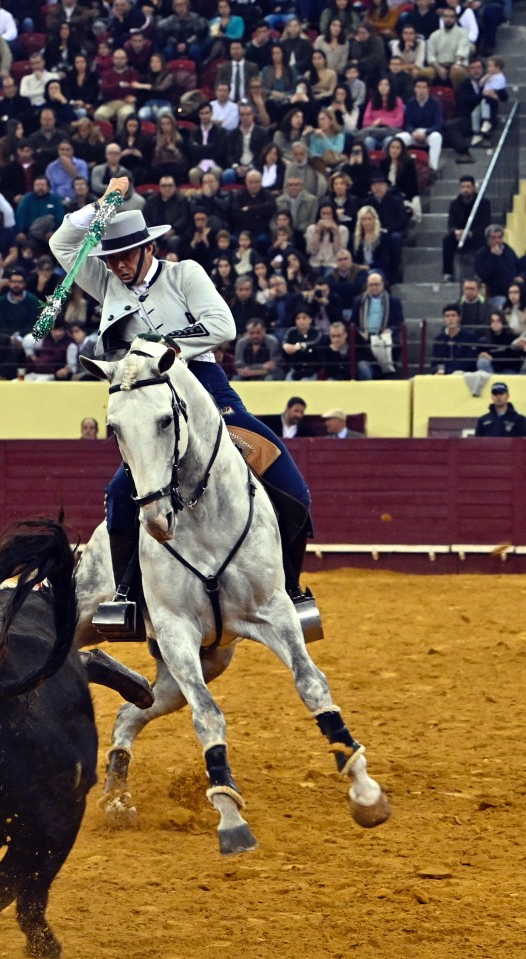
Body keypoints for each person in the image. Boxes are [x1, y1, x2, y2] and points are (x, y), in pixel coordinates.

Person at [49, 175, 318, 640]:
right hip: (148, 401)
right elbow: (63, 243)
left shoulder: (183, 274)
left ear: (148, 249)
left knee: (288, 483)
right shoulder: (106, 279)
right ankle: (127, 597)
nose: (118, 267)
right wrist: (103, 205)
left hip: (205, 388)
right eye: (110, 259)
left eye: (126, 256)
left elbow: (222, 326)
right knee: (119, 494)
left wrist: (158, 347)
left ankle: (291, 589)